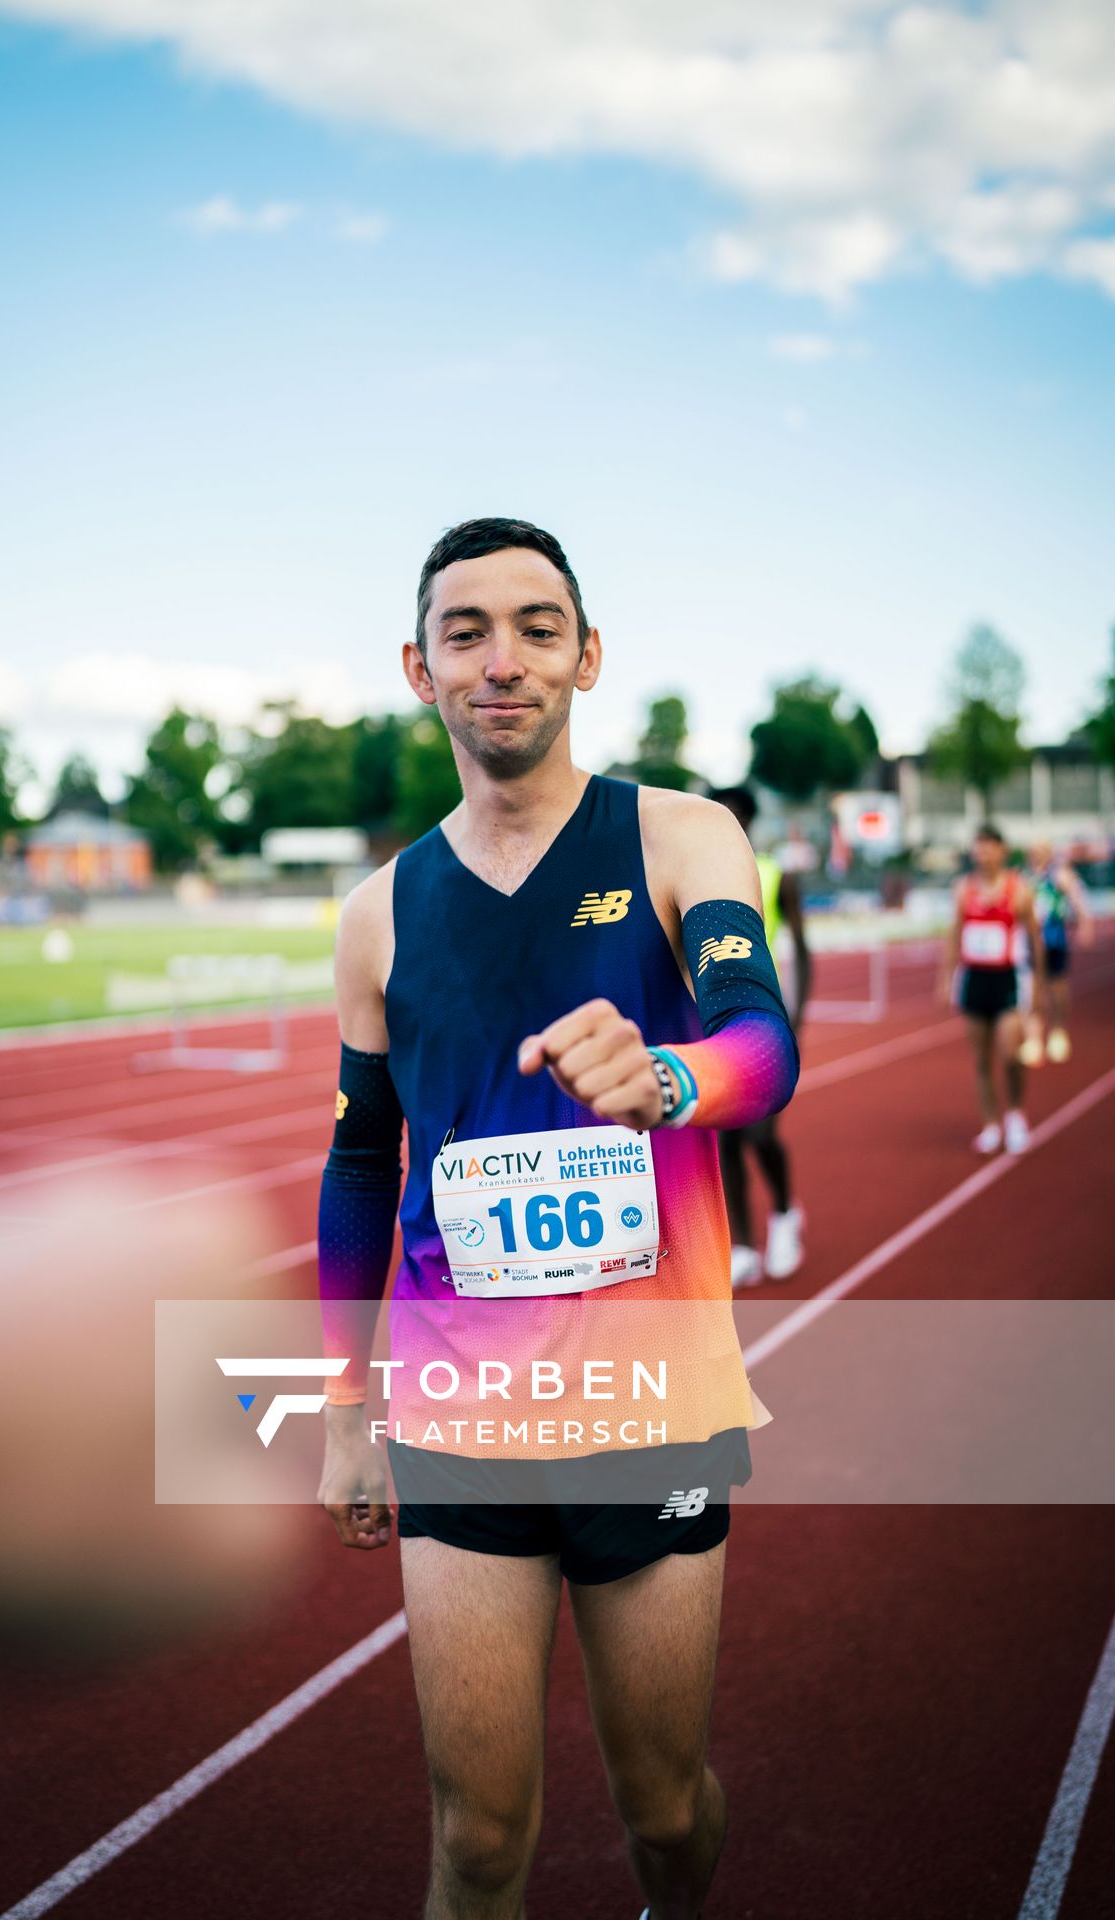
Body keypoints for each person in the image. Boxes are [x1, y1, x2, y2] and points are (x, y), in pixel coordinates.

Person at [317, 518, 799, 1920]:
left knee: (662, 1806)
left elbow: (762, 1049)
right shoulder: (377, 912)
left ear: (589, 658)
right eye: (466, 632)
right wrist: (348, 1406)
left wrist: (666, 1077)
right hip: (460, 1413)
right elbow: (361, 1161)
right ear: (421, 668)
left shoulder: (678, 835)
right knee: (476, 1837)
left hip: (652, 1400)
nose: (502, 660)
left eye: (537, 628)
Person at [707, 787, 811, 1287]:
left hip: (762, 1018)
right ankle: (743, 1243)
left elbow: (804, 948)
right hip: (709, 1022)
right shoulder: (692, 876)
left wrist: (800, 1013)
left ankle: (786, 1214)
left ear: (746, 821)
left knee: (762, 1133)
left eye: (734, 815)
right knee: (723, 1136)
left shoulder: (774, 874)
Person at [939, 825, 1045, 1155]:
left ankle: (1015, 1114)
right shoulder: (963, 890)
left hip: (1006, 980)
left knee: (1010, 1053)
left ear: (1002, 850)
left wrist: (1038, 985)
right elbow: (954, 936)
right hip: (975, 981)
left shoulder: (1018, 890)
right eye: (978, 847)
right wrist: (945, 979)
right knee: (981, 1060)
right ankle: (990, 1124)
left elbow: (1035, 940)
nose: (982, 853)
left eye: (988, 847)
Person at [1018, 840, 1094, 1065]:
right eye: (1032, 852)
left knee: (1057, 986)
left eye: (1040, 852)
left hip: (1054, 940)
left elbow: (1077, 901)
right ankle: (1033, 1038)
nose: (1036, 856)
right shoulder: (1024, 879)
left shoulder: (1059, 876)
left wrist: (1085, 925)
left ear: (1048, 854)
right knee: (1032, 988)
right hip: (1030, 943)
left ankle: (1058, 1031)